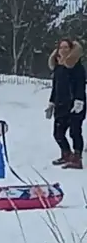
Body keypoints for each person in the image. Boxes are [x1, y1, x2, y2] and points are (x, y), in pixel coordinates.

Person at [46, 38, 86, 169]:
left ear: (71, 50)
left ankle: (77, 159)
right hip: (60, 105)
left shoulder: (77, 67)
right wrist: (51, 103)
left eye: (66, 48)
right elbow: (55, 87)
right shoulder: (58, 67)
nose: (63, 50)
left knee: (75, 132)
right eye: (61, 48)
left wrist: (79, 101)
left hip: (75, 105)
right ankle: (66, 154)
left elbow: (80, 85)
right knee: (58, 133)